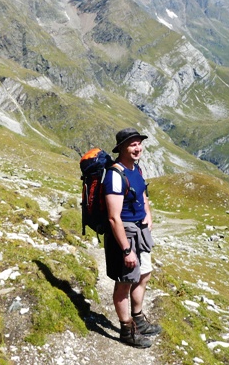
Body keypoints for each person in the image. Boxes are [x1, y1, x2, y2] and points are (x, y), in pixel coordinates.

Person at [103, 127, 162, 348]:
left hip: (141, 229)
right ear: (121, 148)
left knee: (144, 274)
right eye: (132, 144)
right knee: (124, 283)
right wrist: (127, 250)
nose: (137, 148)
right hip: (126, 233)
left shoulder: (135, 168)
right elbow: (113, 217)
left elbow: (143, 194)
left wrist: (148, 214)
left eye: (139, 143)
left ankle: (138, 318)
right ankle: (126, 330)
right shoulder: (115, 175)